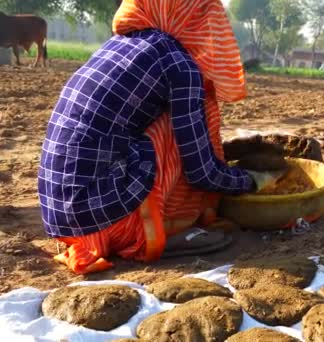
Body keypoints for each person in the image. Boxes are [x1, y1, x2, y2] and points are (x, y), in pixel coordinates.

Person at [38, 0, 279, 274]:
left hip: (61, 215)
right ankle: (156, 230)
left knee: (176, 122)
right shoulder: (180, 65)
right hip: (102, 219)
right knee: (182, 123)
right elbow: (200, 172)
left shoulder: (118, 44)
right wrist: (252, 181)